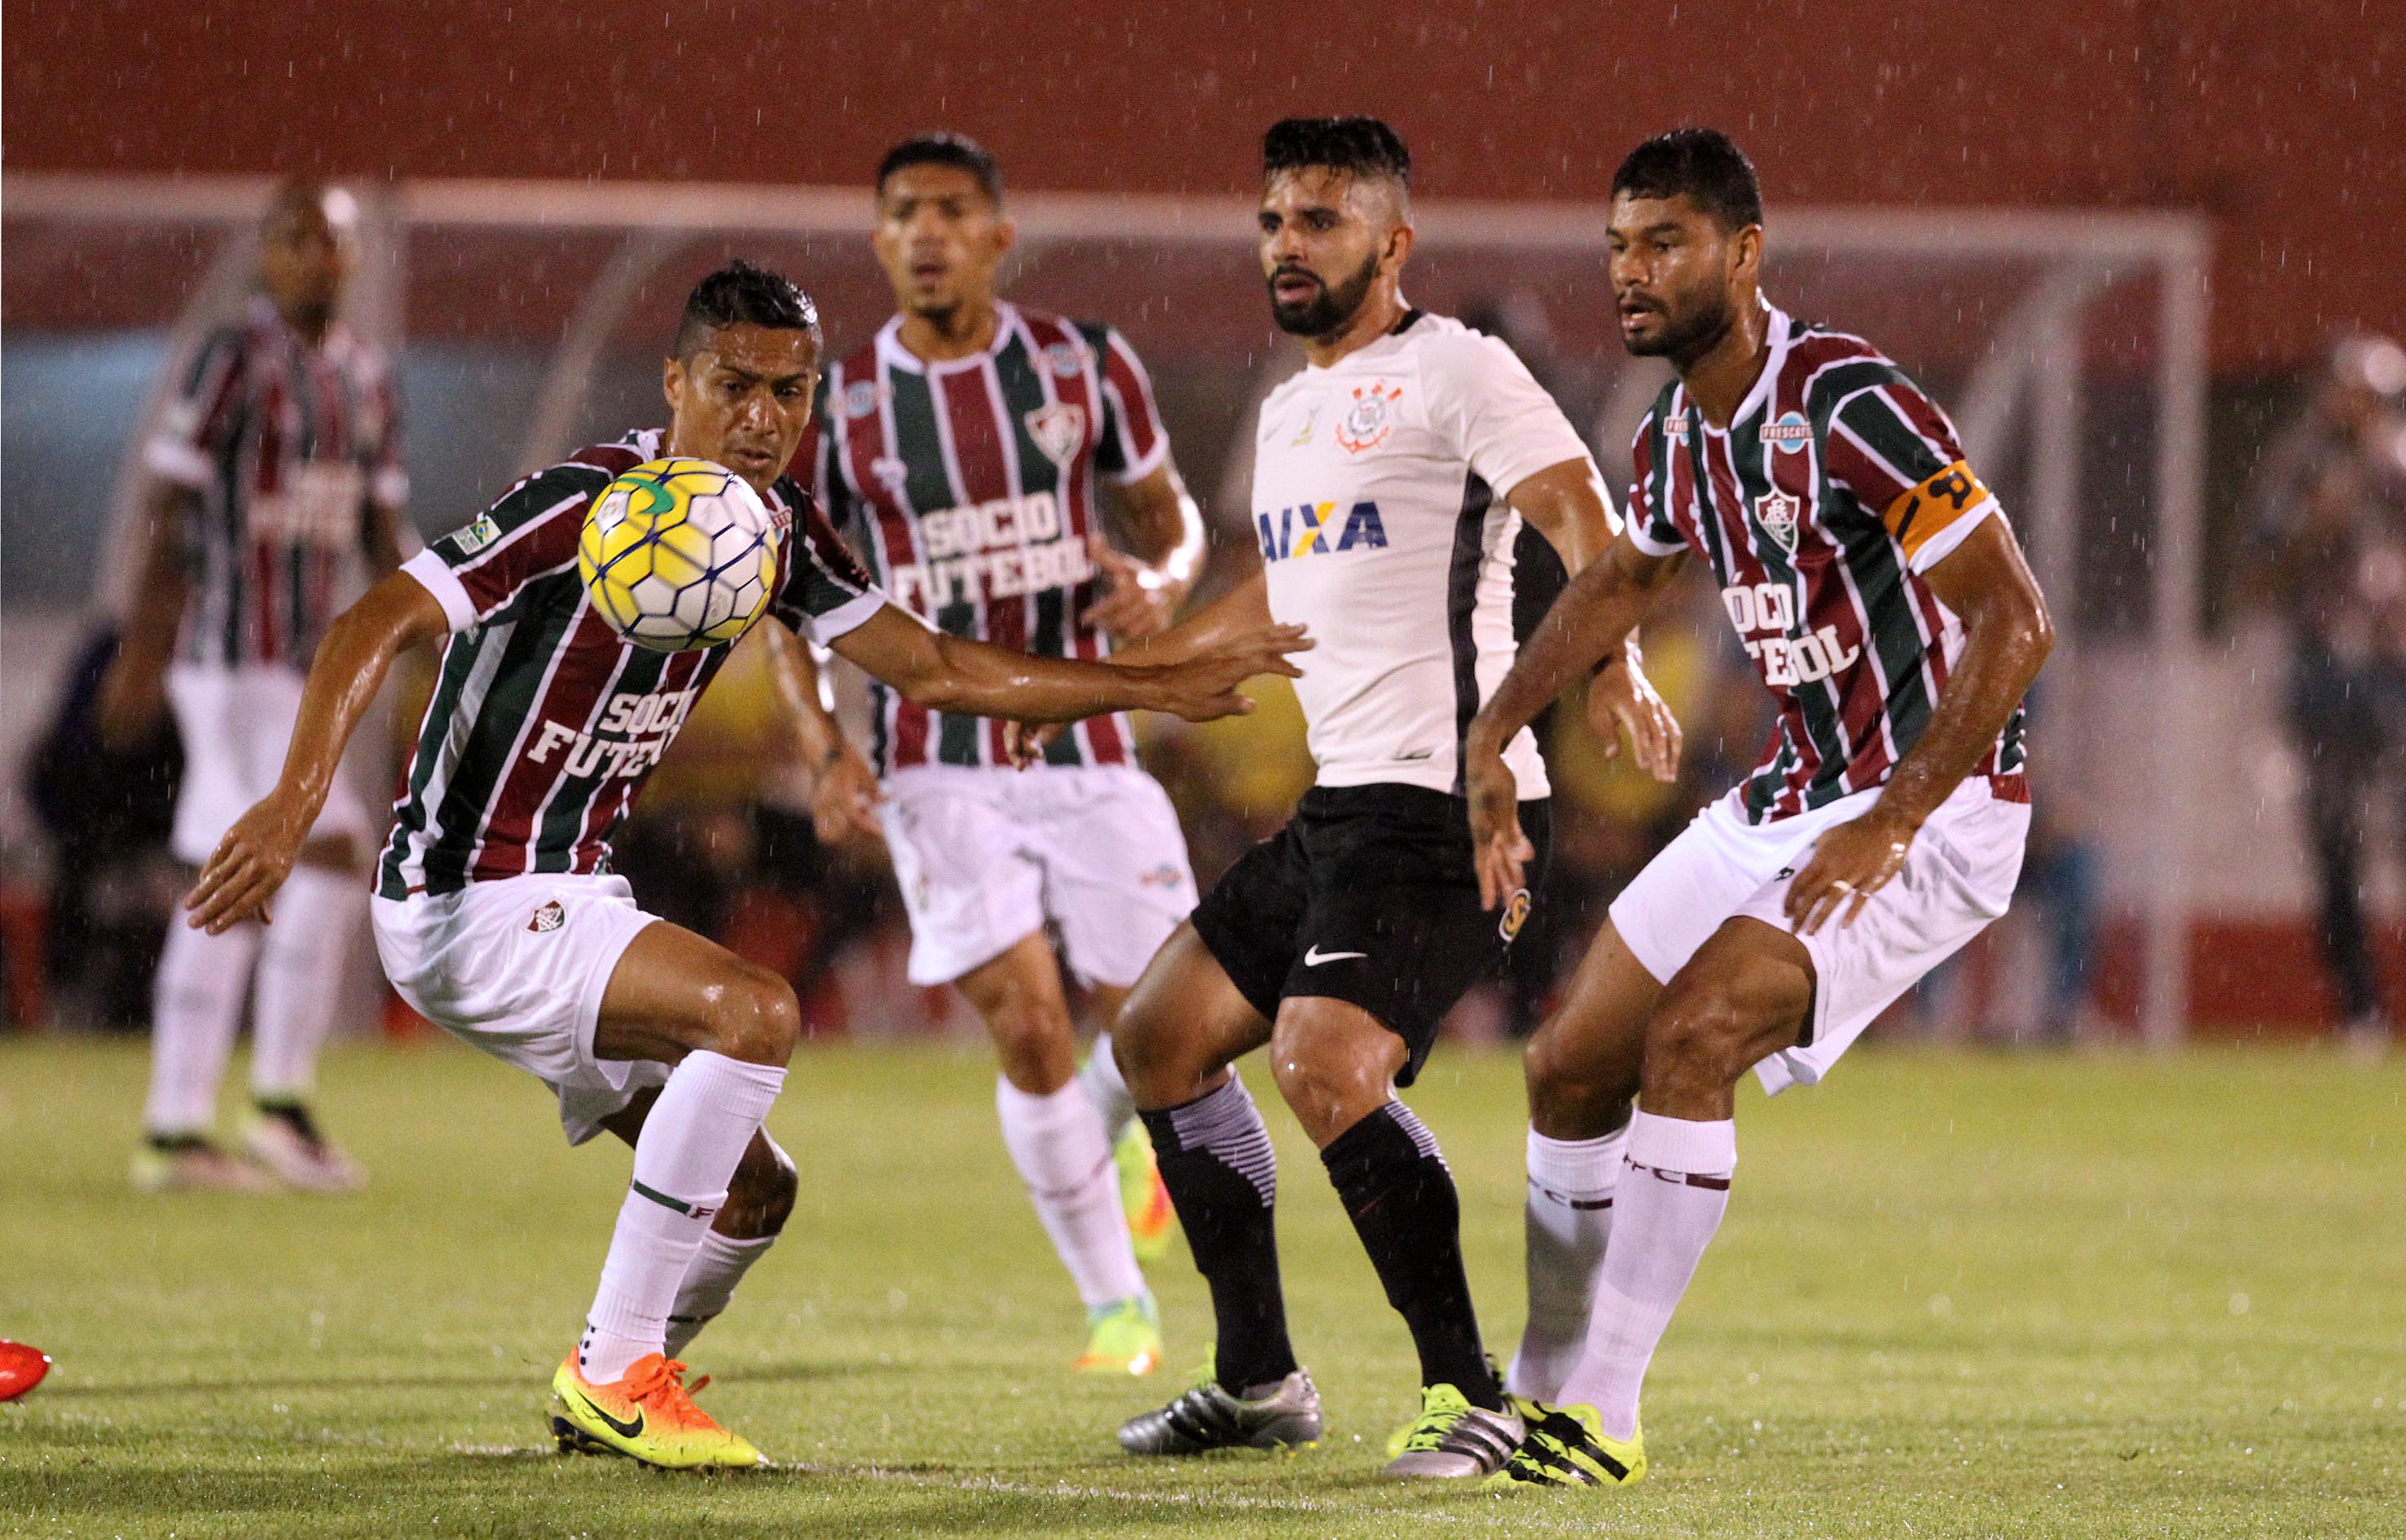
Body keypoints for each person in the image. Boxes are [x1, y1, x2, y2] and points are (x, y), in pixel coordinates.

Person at [181, 260, 1308, 1471]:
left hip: (568, 892)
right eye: (735, 385)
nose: (765, 416)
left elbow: (931, 668)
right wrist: (297, 801)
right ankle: (616, 1370)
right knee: (754, 1012)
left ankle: (611, 1387)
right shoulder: (587, 502)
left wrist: (1149, 686)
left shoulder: (771, 532)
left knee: (754, 1190)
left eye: (791, 389)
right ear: (676, 381)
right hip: (464, 897)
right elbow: (374, 618)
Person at [1460, 129, 2053, 1490]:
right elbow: (1620, 581)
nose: (1631, 271)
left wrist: (1894, 821)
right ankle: (1540, 1378)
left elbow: (2016, 619)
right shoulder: (1675, 431)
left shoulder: (1847, 400)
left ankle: (1601, 1412)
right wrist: (1493, 729)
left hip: (1933, 812)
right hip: (1791, 793)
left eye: (1662, 242)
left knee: (1695, 1034)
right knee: (1563, 1067)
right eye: (1616, 245)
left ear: (1741, 253)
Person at [1103, 117, 1677, 1480]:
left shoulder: (1459, 369)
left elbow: (1578, 520)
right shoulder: (1291, 405)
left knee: (1321, 1060)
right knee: (1158, 1040)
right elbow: (1283, 587)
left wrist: (1616, 665)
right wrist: (1143, 657)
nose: (1287, 246)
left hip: (1447, 812)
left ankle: (1466, 1393)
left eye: (1319, 220)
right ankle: (1256, 1381)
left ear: (1390, 240)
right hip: (1333, 813)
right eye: (1272, 222)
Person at [785, 133, 1206, 1375]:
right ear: (878, 240)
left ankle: (1121, 1126)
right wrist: (822, 748)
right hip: (932, 758)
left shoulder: (1086, 365)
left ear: (996, 233)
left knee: (1166, 1022)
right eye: (902, 211)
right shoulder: (843, 409)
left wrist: (1164, 587)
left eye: (950, 210)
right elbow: (782, 602)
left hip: (1087, 742)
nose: (925, 231)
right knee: (1026, 1021)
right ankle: (1116, 1305)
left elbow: (1170, 523)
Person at [98, 180, 412, 1193]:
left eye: (330, 240)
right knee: (315, 849)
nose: (314, 256)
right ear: (267, 257)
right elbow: (169, 499)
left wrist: (439, 620)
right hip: (228, 659)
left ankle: (203, 1120)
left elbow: (377, 524)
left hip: (304, 662)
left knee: (258, 867)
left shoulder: (366, 378)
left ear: (355, 256)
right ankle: (239, 1111)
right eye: (293, 240)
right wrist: (142, 645)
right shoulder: (233, 356)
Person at [2247, 334, 2406, 1054]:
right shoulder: (2300, 467)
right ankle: (2358, 1009)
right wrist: (2319, 518)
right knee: (2336, 841)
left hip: (2395, 665)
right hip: (2323, 669)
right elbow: (2255, 569)